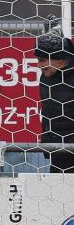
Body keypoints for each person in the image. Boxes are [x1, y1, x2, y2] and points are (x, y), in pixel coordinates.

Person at [33, 28, 74, 173]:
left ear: (60, 61)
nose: (38, 65)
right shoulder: (46, 77)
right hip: (57, 153)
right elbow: (49, 112)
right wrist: (47, 138)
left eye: (42, 60)